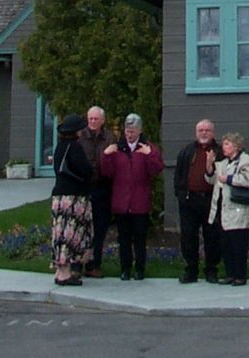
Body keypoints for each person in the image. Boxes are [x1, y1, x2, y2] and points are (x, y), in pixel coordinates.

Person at [100, 112, 164, 281]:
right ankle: (125, 269)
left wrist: (150, 155)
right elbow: (107, 172)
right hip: (121, 201)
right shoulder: (117, 148)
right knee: (124, 239)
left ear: (139, 130)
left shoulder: (146, 148)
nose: (129, 134)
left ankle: (140, 269)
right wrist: (106, 156)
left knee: (140, 238)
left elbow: (156, 169)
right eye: (127, 130)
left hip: (139, 201)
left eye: (133, 130)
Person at [174, 118, 224, 283]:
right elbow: (179, 175)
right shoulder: (187, 151)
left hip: (211, 201)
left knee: (212, 236)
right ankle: (191, 270)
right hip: (189, 200)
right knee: (188, 236)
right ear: (196, 133)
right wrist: (181, 195)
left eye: (207, 130)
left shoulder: (220, 152)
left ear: (213, 133)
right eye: (200, 130)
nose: (204, 133)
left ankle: (211, 269)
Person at [208, 132, 249, 286]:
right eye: (224, 144)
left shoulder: (245, 160)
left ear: (236, 146)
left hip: (238, 209)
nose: (224, 147)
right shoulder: (223, 163)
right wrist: (209, 166)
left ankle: (240, 276)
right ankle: (230, 273)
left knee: (238, 244)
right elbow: (211, 179)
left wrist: (228, 179)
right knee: (226, 244)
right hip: (224, 210)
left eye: (227, 144)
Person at [50, 113, 93, 287]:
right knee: (70, 234)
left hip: (59, 195)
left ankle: (60, 270)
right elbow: (85, 170)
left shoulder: (60, 147)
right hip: (73, 197)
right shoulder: (75, 148)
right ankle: (65, 273)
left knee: (59, 233)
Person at [78, 105, 116, 277]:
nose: (93, 122)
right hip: (84, 188)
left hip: (103, 187)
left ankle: (94, 264)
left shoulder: (110, 137)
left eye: (96, 119)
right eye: (90, 118)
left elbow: (113, 162)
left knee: (100, 228)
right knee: (81, 228)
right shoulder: (80, 137)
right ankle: (78, 264)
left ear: (102, 120)